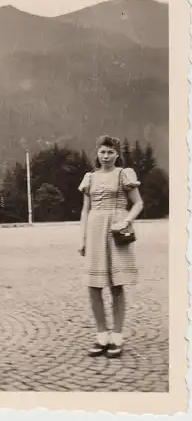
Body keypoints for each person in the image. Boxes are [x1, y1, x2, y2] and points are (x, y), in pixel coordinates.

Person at [78, 135, 144, 358]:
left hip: (116, 231)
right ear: (97, 153)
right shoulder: (90, 177)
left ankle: (116, 337)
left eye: (110, 152)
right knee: (93, 285)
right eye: (102, 152)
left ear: (117, 154)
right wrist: (83, 238)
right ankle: (101, 336)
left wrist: (126, 221)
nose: (106, 156)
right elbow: (85, 210)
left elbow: (138, 203)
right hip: (95, 231)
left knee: (117, 285)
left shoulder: (124, 174)